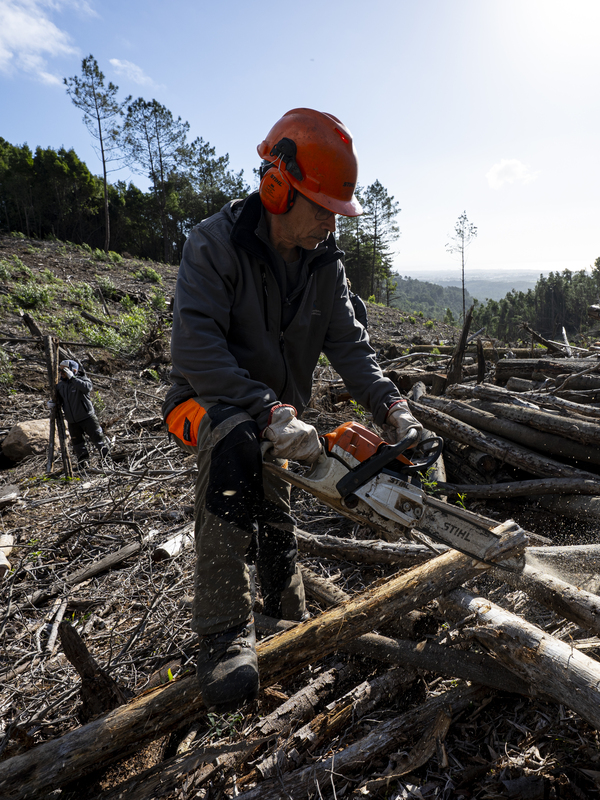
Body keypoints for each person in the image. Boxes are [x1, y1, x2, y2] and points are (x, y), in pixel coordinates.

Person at [163, 108, 423, 712]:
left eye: (337, 212)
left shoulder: (324, 265)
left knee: (276, 505)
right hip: (203, 406)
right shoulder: (214, 244)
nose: (331, 224)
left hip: (278, 417)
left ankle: (284, 609)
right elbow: (195, 349)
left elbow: (352, 348)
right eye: (322, 208)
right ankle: (224, 632)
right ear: (277, 187)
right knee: (232, 441)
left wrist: (392, 407)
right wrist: (269, 410)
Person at [52, 359, 110, 467]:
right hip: (72, 421)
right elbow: (60, 400)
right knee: (77, 444)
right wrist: (53, 403)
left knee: (98, 439)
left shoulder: (83, 380)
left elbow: (87, 388)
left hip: (87, 417)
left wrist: (72, 378)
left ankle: (107, 461)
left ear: (73, 370)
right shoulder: (60, 386)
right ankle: (83, 464)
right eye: (60, 370)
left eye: (64, 370)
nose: (62, 373)